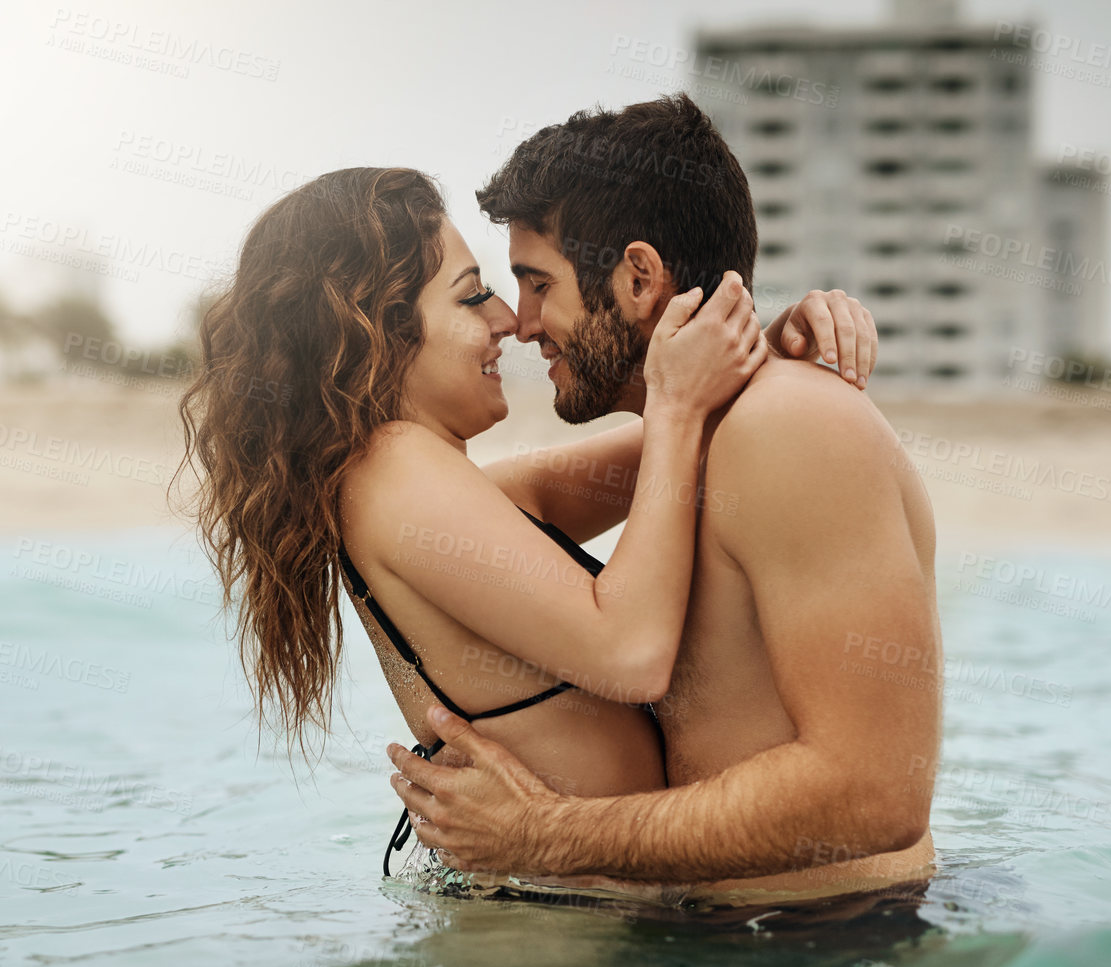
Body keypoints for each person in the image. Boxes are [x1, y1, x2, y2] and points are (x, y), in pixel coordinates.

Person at [179, 161, 878, 878]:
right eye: (471, 296)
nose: (507, 321)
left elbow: (683, 453)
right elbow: (632, 650)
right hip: (553, 943)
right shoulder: (391, 468)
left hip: (562, 933)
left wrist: (760, 352)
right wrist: (673, 401)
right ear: (376, 332)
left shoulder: (428, 490)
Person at [387, 95, 941, 904]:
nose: (524, 324)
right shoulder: (692, 438)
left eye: (539, 283)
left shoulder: (791, 428)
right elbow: (472, 516)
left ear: (638, 277)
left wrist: (540, 833)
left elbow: (876, 793)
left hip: (832, 955)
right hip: (722, 959)